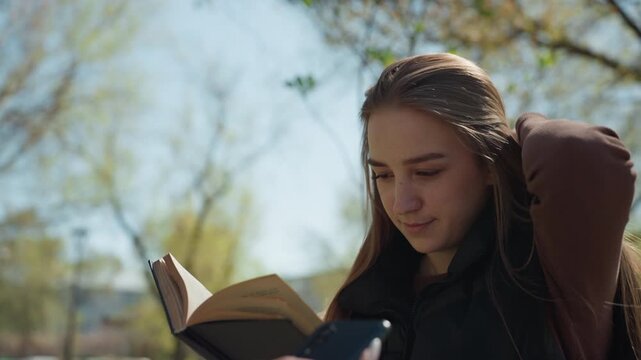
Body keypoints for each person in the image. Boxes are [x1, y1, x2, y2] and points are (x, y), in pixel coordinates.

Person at [282, 52, 639, 360]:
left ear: (488, 165)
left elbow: (581, 154)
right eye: (384, 176)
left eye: (427, 172)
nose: (402, 203)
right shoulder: (362, 305)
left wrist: (509, 143)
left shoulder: (548, 271)